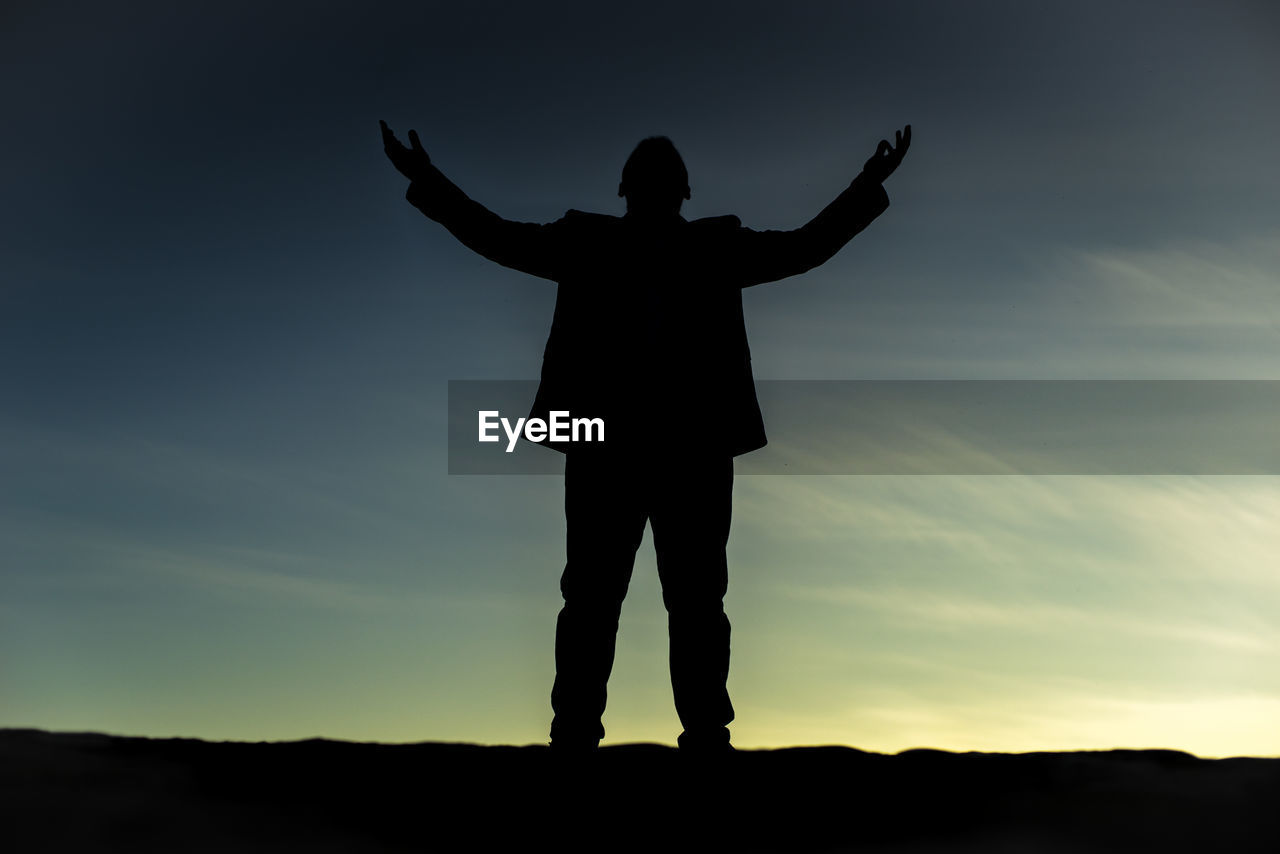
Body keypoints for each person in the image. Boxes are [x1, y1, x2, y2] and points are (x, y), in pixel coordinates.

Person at [381, 121, 910, 753]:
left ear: (669, 191)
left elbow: (804, 248)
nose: (656, 189)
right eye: (649, 179)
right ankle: (590, 733)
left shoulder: (710, 246)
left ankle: (679, 734)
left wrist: (866, 184)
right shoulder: (595, 242)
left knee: (677, 599)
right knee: (610, 597)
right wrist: (426, 178)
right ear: (640, 189)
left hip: (684, 449)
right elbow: (495, 236)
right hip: (617, 448)